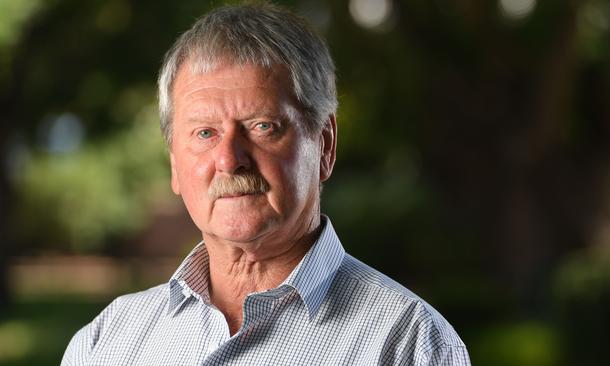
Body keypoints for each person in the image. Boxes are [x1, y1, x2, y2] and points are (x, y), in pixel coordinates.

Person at [62, 3, 470, 365]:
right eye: (204, 133)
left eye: (262, 126)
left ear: (324, 146)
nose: (229, 160)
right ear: (174, 164)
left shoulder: (410, 345)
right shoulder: (105, 341)